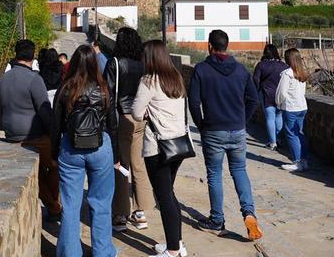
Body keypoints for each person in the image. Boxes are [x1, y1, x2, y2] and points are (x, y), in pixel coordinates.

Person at [188, 29, 263, 241]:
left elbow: (193, 102)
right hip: (237, 130)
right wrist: (243, 121)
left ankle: (217, 219)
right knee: (240, 170)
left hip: (213, 130)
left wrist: (201, 125)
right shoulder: (241, 70)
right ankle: (249, 213)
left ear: (209, 46)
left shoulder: (201, 70)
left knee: (214, 174)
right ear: (227, 46)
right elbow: (253, 100)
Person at [51, 45, 120, 257]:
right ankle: (103, 251)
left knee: (71, 205)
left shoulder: (65, 89)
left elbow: (56, 126)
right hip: (100, 147)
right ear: (93, 63)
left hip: (70, 149)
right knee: (101, 203)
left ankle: (70, 253)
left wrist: (55, 154)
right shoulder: (104, 88)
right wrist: (116, 156)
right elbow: (113, 124)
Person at [132, 40, 188, 257]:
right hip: (178, 145)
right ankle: (178, 243)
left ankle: (173, 251)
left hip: (157, 147)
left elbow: (137, 112)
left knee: (164, 198)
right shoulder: (176, 79)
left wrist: (147, 113)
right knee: (169, 195)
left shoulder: (148, 81)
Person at [0, 39, 62, 222]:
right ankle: (54, 206)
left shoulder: (3, 79)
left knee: (38, 173)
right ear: (32, 56)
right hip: (34, 135)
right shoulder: (34, 79)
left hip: (11, 134)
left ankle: (53, 206)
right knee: (57, 164)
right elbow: (44, 111)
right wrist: (54, 133)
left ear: (16, 54)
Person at [105, 27, 153, 232]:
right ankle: (141, 212)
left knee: (121, 166)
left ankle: (120, 214)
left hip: (121, 118)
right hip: (140, 118)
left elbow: (107, 95)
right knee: (138, 165)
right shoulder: (143, 65)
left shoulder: (114, 63)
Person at [275, 48, 310, 172]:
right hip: (302, 106)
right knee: (299, 133)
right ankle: (304, 160)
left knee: (291, 134)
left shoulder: (287, 74)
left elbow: (281, 93)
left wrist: (278, 103)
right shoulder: (302, 73)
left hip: (290, 107)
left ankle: (297, 161)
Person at [253, 44, 289, 150]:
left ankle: (272, 142)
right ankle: (279, 139)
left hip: (266, 94)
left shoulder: (261, 65)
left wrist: (258, 89)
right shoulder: (283, 66)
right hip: (280, 95)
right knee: (279, 116)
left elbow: (255, 79)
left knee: (270, 118)